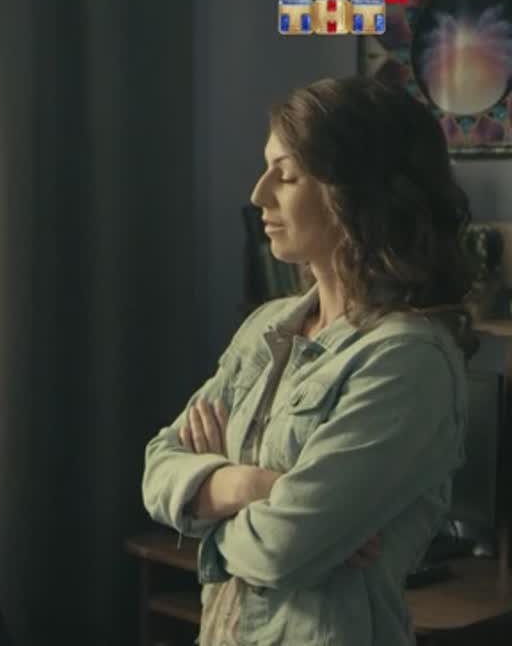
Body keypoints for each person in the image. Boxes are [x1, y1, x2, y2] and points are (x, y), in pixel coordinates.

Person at [142, 75, 476, 645]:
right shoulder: (267, 327)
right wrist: (253, 486)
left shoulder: (408, 361)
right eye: (265, 168)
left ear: (355, 193)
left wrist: (205, 504)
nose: (259, 194)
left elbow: (279, 551)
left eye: (287, 174)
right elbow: (157, 469)